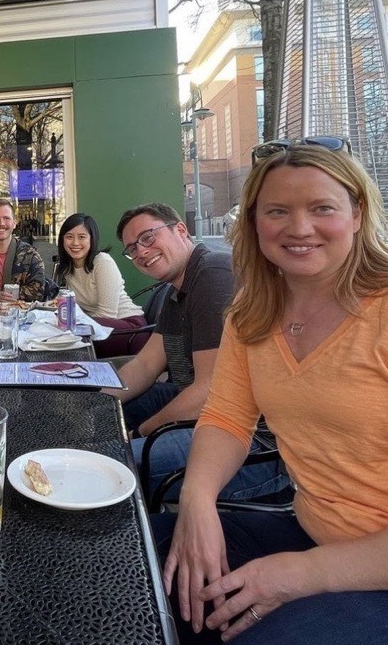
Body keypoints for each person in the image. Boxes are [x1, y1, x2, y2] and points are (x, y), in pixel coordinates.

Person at [162, 138, 388, 645]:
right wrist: (198, 501)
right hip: (325, 536)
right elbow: (227, 417)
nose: (299, 228)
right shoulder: (253, 312)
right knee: (142, 555)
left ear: (357, 213)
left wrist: (302, 574)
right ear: (253, 222)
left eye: (322, 208)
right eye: (277, 211)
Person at [106, 202, 286, 505]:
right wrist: (96, 399)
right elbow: (146, 364)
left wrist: (139, 432)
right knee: (105, 419)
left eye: (147, 238)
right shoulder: (177, 290)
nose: (141, 252)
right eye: (132, 249)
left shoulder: (213, 274)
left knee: (113, 464)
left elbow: (208, 392)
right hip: (206, 413)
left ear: (180, 230)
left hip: (253, 446)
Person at [53, 212, 147, 357]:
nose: (75, 243)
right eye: (69, 237)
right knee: (57, 330)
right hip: (99, 326)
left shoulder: (102, 261)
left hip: (129, 329)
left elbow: (107, 314)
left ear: (92, 239)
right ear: (62, 240)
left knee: (64, 336)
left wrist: (70, 322)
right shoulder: (68, 268)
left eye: (82, 237)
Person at [0, 198, 46, 302]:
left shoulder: (30, 254)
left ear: (14, 223)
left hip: (20, 314)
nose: (1, 223)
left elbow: (39, 291)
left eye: (6, 218)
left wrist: (9, 295)